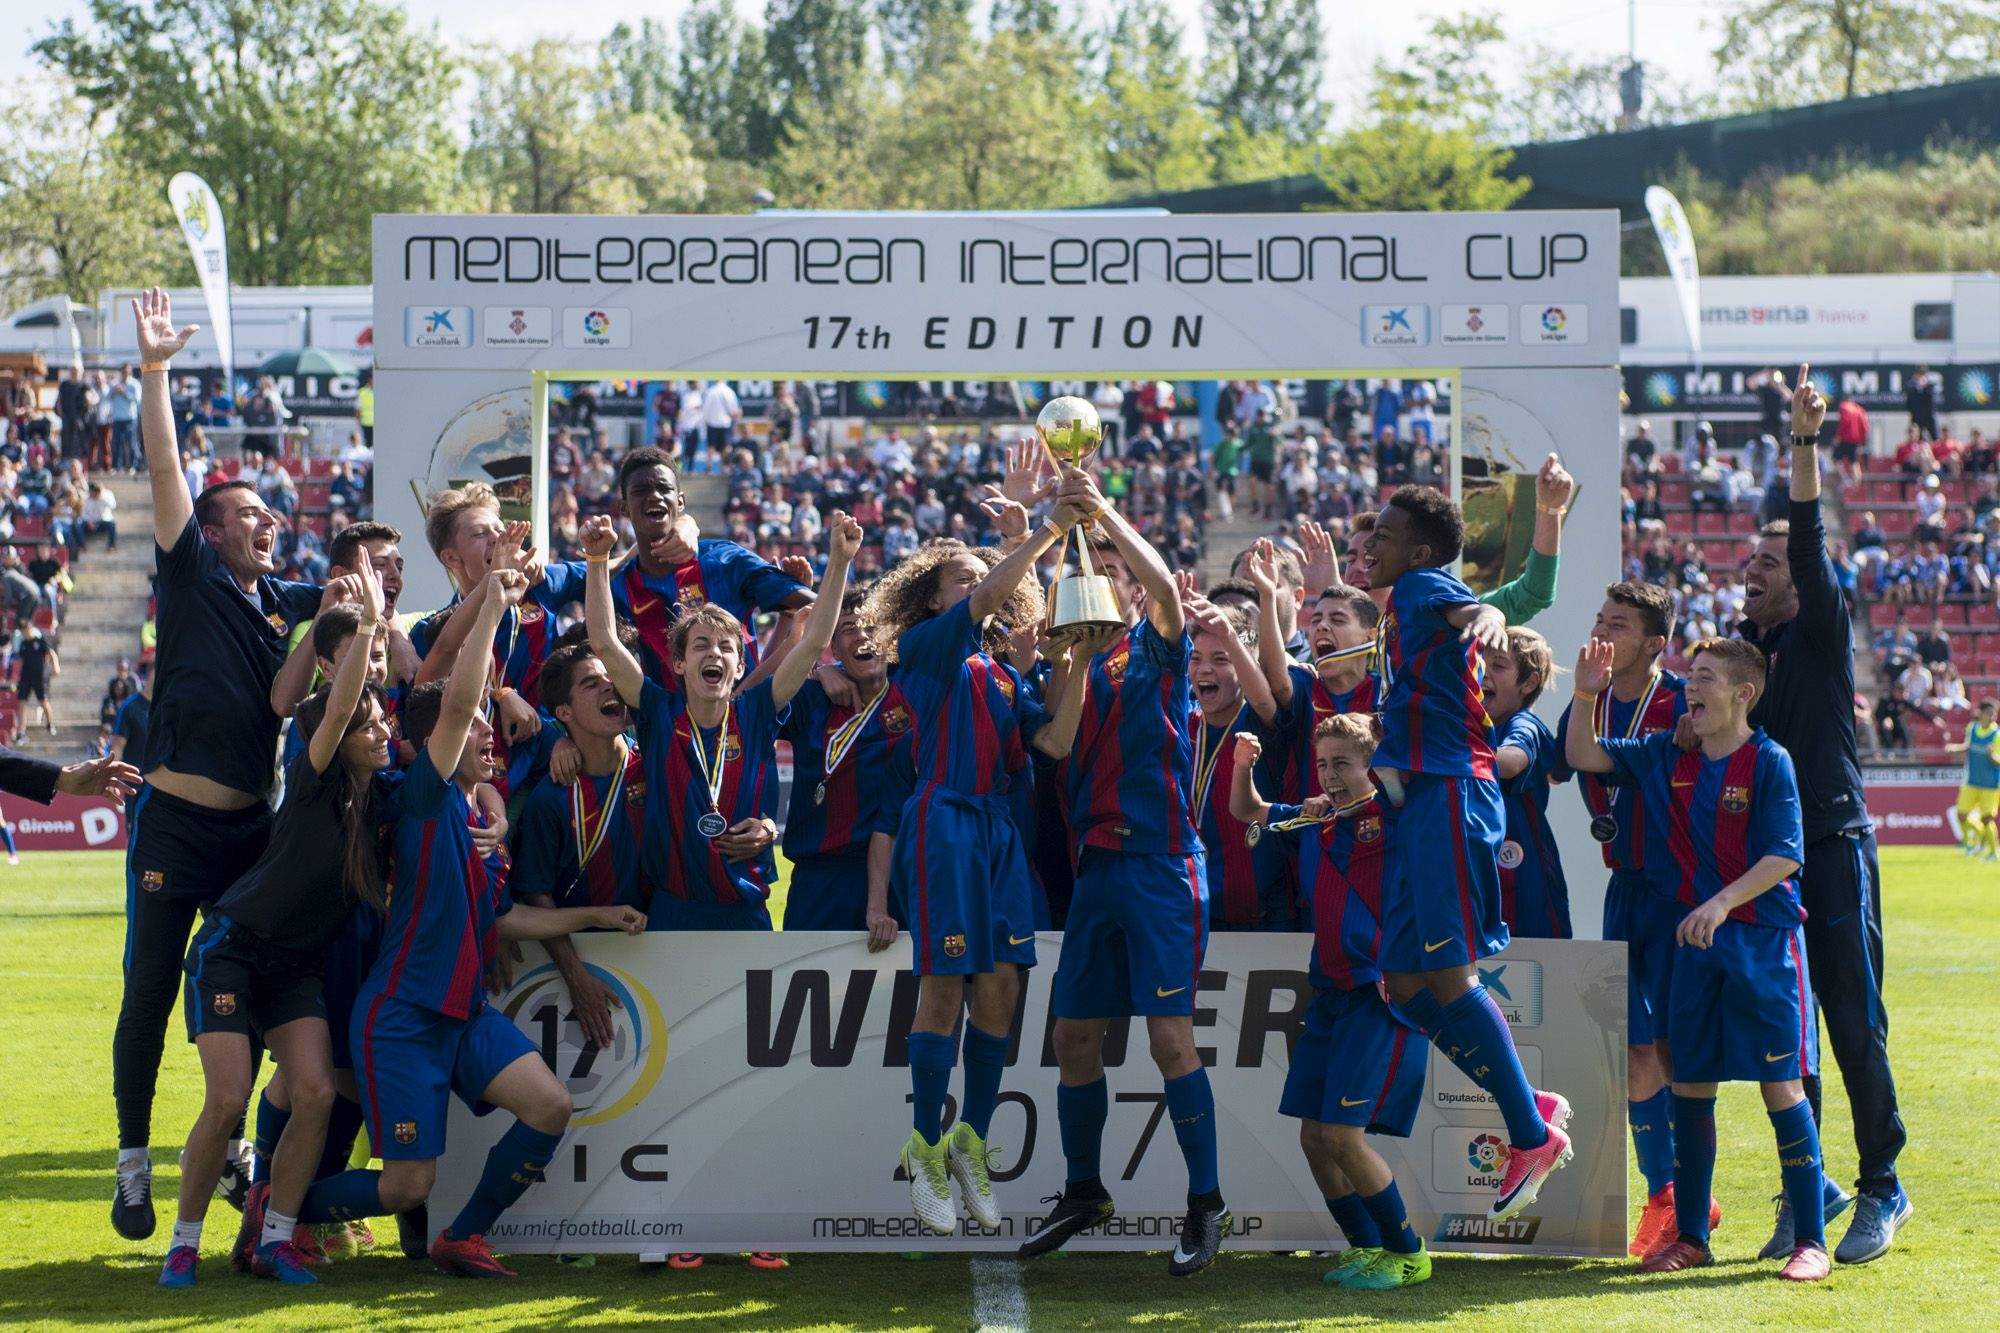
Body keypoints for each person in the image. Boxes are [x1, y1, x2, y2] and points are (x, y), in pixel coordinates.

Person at [291, 569, 645, 1279]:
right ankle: (281, 1204)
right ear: (434, 746)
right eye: (477, 729)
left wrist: (597, 915)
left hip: (463, 1013)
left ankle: (464, 1236)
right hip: (405, 1017)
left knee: (549, 1106)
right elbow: (456, 702)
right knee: (406, 1186)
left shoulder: (474, 816)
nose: (490, 737)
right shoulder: (421, 797)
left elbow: (503, 920)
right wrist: (493, 606)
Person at [112, 290, 326, 1240]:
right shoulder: (192, 571)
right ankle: (131, 1163)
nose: (265, 521)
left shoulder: (285, 600)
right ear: (210, 530)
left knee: (261, 982)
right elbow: (166, 465)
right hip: (174, 825)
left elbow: (371, 589)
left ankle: (237, 1145)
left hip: (251, 830)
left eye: (269, 512)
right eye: (246, 513)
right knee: (150, 989)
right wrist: (156, 371)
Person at [860, 477, 1093, 1238]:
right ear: (933, 599)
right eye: (962, 577)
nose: (978, 584)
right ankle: (925, 1145)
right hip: (944, 821)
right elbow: (992, 597)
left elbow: (1054, 740)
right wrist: (1046, 530)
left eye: (978, 576)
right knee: (943, 987)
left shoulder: (1001, 673)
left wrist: (1077, 659)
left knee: (1002, 988)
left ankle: (970, 1141)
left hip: (998, 833)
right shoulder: (927, 649)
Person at [159, 560, 394, 1288]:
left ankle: (277, 1239)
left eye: (381, 720)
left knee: (316, 1092)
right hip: (233, 949)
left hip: (294, 965)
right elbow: (343, 701)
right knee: (229, 1098)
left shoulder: (382, 799)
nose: (380, 729)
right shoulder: (318, 776)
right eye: (367, 723)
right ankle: (183, 1244)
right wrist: (371, 624)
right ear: (338, 734)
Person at [1025, 469, 1236, 1278]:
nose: (1102, 577)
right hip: (1099, 869)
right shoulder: (1070, 659)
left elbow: (1167, 593)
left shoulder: (1156, 643)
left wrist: (1101, 509)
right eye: (1090, 567)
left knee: (1169, 1038)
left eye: (1112, 567)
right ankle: (1084, 1189)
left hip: (1161, 865)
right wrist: (1071, 653)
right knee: (1073, 1037)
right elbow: (1054, 743)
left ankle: (1206, 1202)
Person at [1567, 636, 1829, 1282]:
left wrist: (1720, 902)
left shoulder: (1770, 761)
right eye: (1690, 677)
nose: (1691, 687)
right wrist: (1584, 694)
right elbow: (1582, 754)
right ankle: (1691, 1236)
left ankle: (1812, 1241)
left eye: (1706, 678)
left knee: (1781, 1086)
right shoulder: (1667, 752)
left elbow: (1785, 855)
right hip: (1695, 948)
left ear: (1744, 693)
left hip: (1764, 947)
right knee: (1689, 1083)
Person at [1361, 484, 1572, 1222]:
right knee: (1402, 982)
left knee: (1448, 974)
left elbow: (1477, 611)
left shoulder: (1423, 586)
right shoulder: (1400, 605)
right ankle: (1529, 1103)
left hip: (1451, 790)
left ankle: (1528, 1135)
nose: (1370, 543)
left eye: (1383, 534)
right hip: (1420, 797)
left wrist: (1486, 617)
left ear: (1419, 551)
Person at [1736, 366, 1908, 1263]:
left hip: (1834, 846)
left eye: (1768, 564)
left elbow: (1806, 539)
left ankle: (1883, 1184)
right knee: (1785, 1039)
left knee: (1850, 1024)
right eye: (1750, 562)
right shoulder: (1742, 661)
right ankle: (1811, 1188)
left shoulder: (1822, 630)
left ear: (1804, 583)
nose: (1753, 571)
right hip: (1773, 863)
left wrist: (1802, 443)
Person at [1229, 717, 1431, 1290]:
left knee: (1342, 1136)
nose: (1330, 776)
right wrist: (1242, 766)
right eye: (1322, 764)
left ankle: (1408, 1252)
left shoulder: (1394, 816)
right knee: (1314, 1138)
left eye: (1343, 763)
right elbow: (1248, 811)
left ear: (1373, 767)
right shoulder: (1316, 819)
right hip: (1329, 994)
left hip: (1377, 994)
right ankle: (1367, 1247)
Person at [776, 591, 913, 932]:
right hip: (822, 879)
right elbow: (752, 703)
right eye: (850, 628)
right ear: (834, 649)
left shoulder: (915, 690)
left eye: (872, 626)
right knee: (807, 966)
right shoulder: (812, 698)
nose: (863, 635)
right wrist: (813, 668)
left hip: (901, 870)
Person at [1484, 627, 1570, 940]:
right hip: (1485, 869)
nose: (1483, 673)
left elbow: (1511, 762)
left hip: (1524, 873)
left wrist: (1452, 755)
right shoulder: (1473, 726)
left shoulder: (1524, 723)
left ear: (1529, 683)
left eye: (1498, 665)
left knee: (1534, 960)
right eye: (1478, 663)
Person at [1945, 699, 2000, 861]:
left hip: (1990, 784)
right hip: (1971, 781)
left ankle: (1993, 852)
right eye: (1989, 713)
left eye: (1994, 714)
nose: (1992, 717)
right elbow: (1968, 746)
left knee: (1987, 818)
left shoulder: (1997, 735)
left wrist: (1992, 756)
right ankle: (1979, 833)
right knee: (1961, 815)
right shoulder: (1973, 728)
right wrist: (1955, 748)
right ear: (1980, 713)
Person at [14, 622, 57, 736]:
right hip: (25, 677)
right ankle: (21, 730)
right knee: (22, 702)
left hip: (38, 677)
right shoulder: (23, 644)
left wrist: (55, 667)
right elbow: (20, 659)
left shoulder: (39, 641)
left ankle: (50, 723)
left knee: (43, 700)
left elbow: (51, 653)